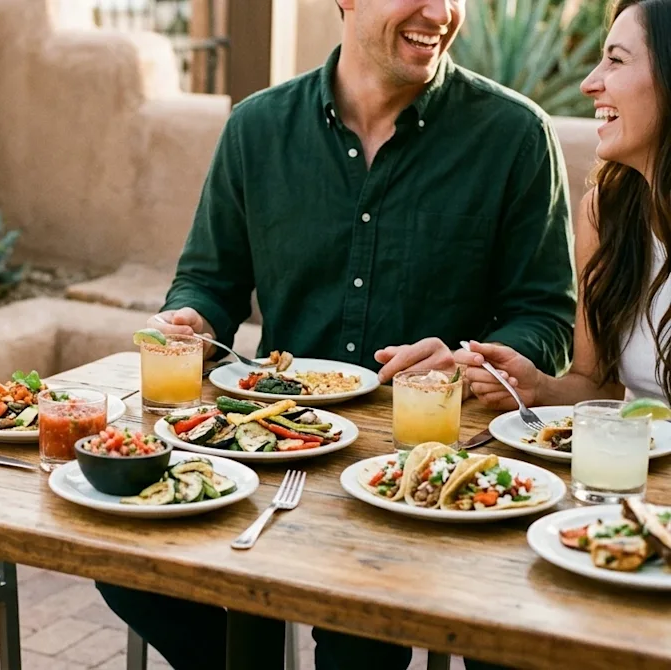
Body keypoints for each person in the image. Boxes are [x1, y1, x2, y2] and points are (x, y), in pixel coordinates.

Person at [94, 0, 578, 666]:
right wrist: (192, 319)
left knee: (359, 635)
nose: (440, 12)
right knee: (125, 561)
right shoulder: (256, 128)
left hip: (416, 468)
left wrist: (473, 360)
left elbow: (545, 316)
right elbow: (209, 280)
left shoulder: (516, 134)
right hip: (269, 446)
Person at [462, 0, 671, 410]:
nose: (589, 83)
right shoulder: (607, 213)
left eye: (616, 60)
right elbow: (598, 387)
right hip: (631, 468)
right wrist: (536, 387)